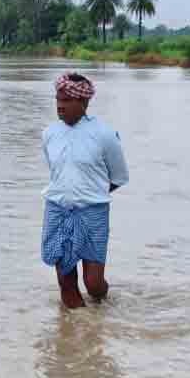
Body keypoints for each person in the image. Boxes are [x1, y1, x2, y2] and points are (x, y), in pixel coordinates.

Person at [40, 72, 129, 308]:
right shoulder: (49, 134)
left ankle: (102, 309)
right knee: (66, 285)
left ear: (84, 102)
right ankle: (74, 337)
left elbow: (119, 177)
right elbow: (56, 174)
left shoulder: (105, 135)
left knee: (93, 284)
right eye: (58, 99)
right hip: (57, 211)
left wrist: (91, 195)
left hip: (92, 213)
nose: (60, 105)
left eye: (67, 100)